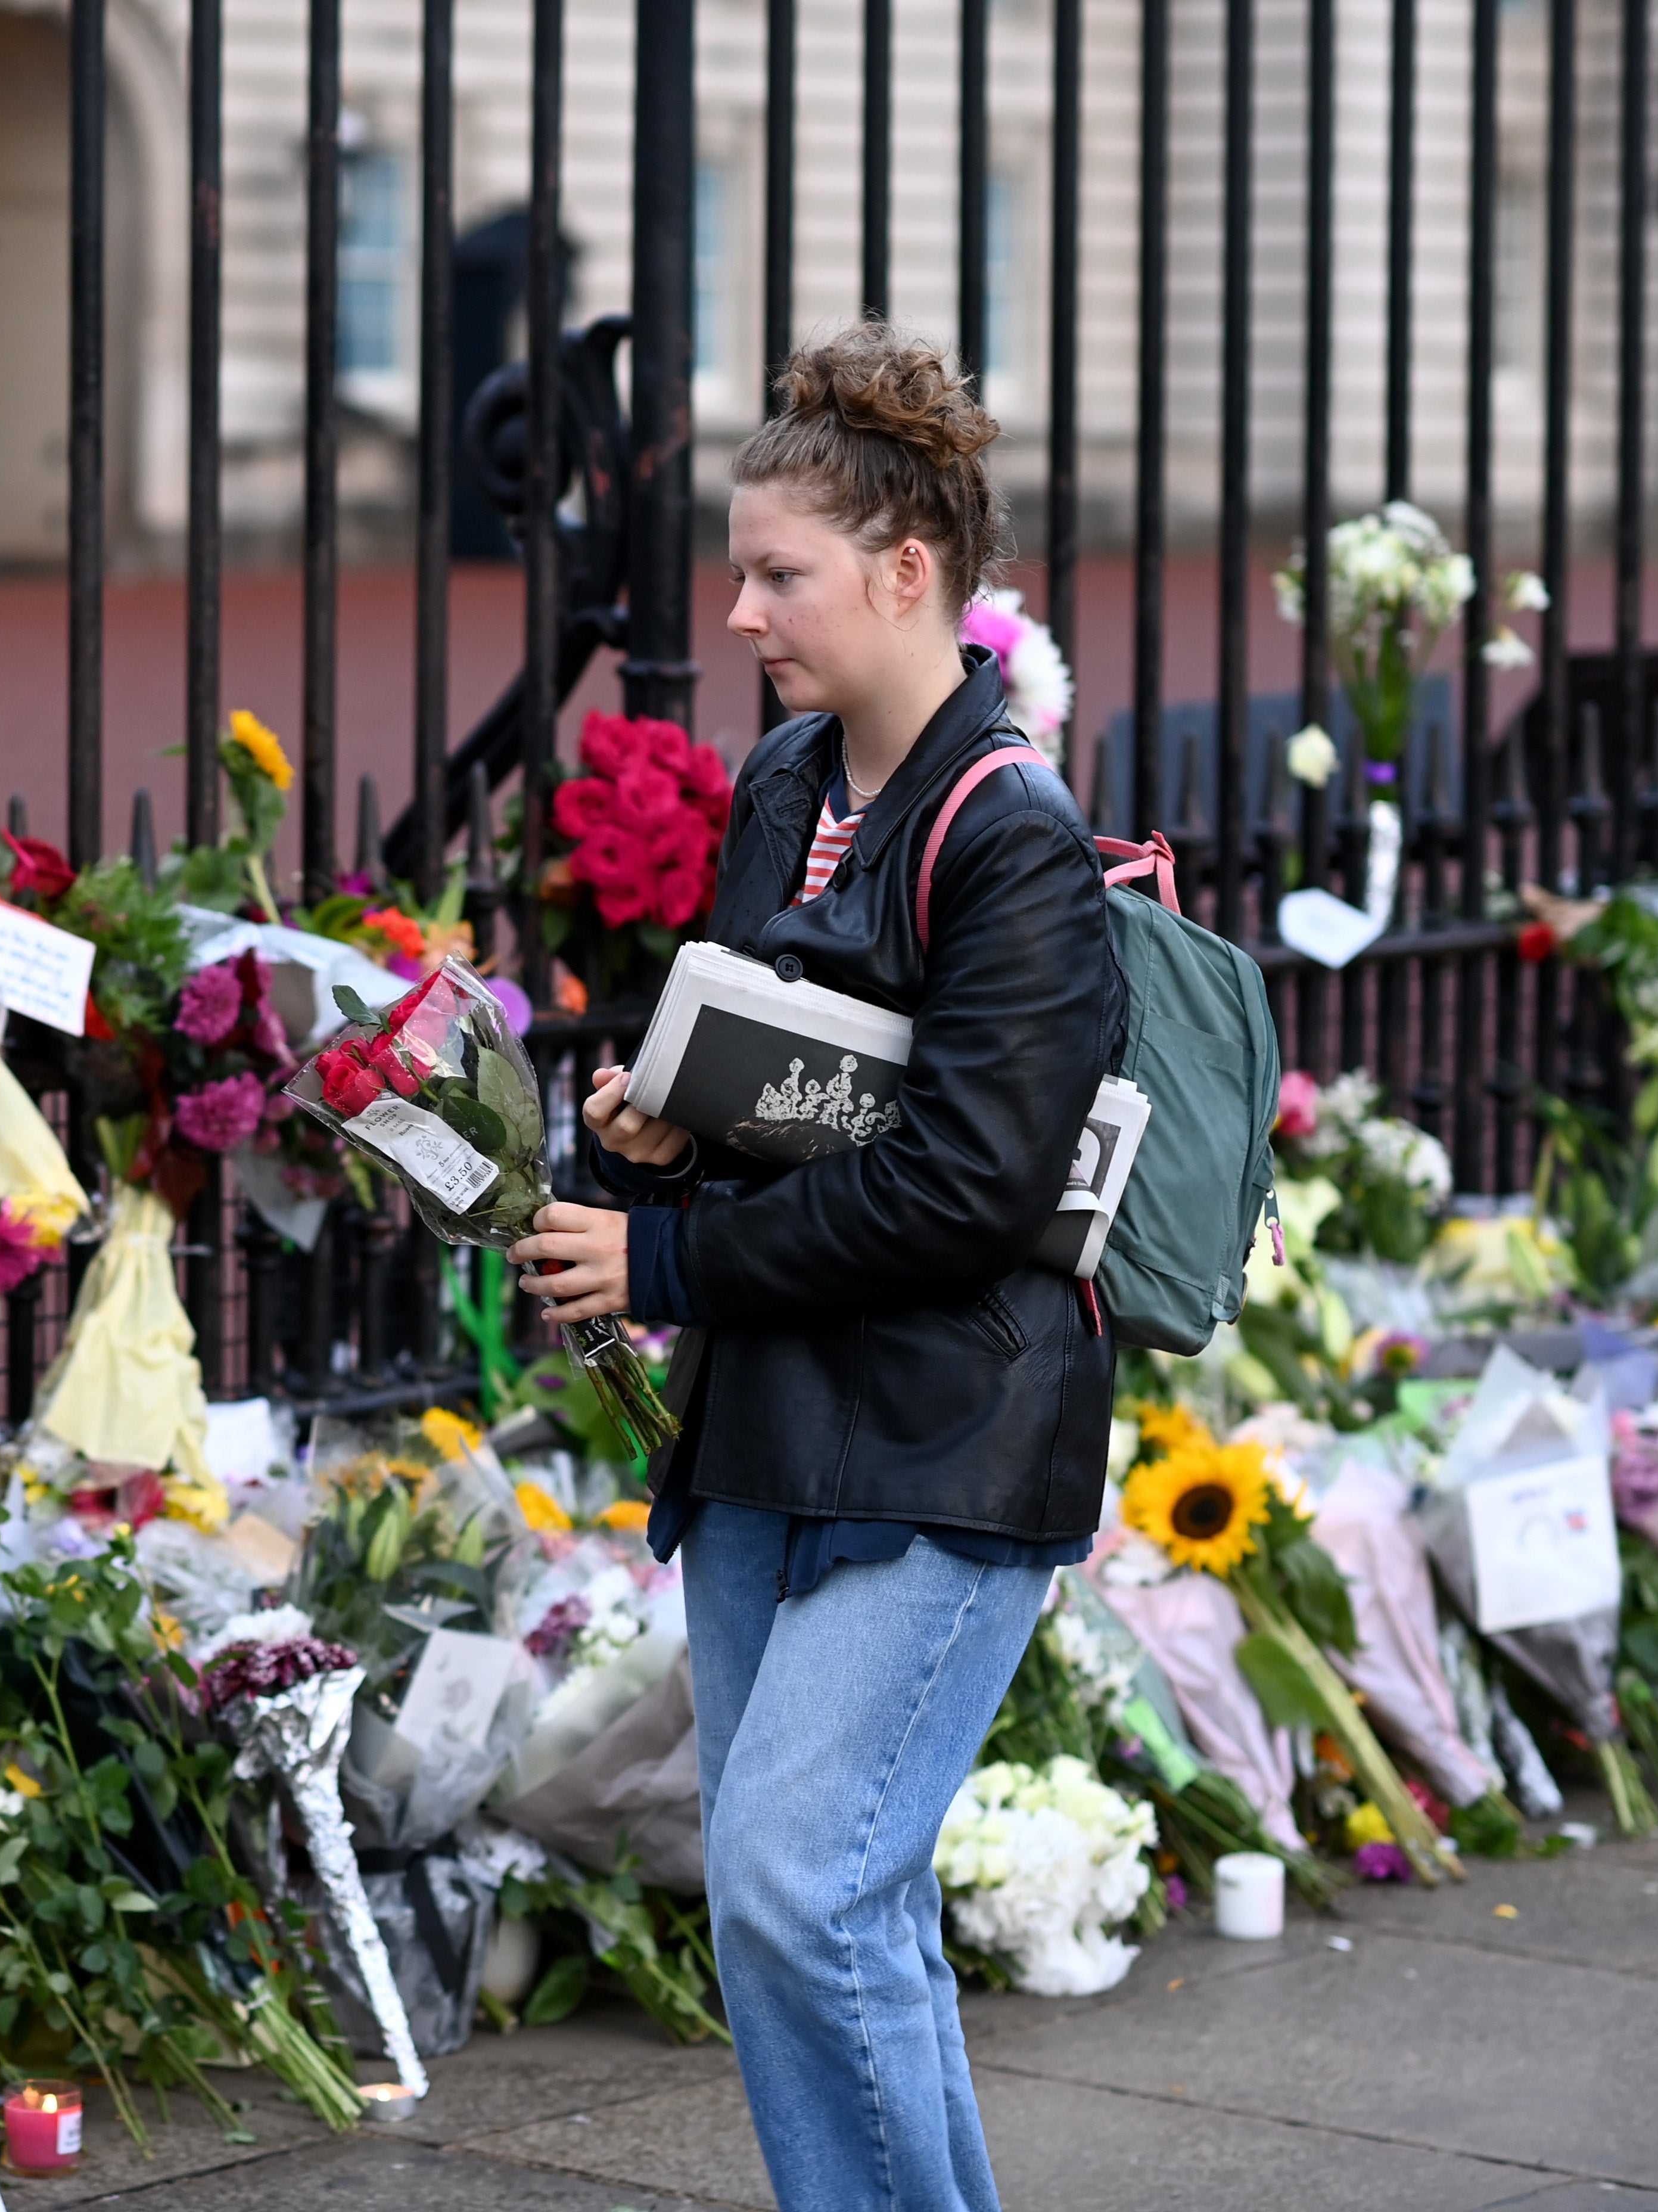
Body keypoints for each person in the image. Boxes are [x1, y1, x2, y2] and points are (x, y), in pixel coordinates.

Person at [510, 324, 1121, 2211]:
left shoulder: (1015, 838)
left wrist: (668, 1251)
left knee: (792, 1884)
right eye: (744, 570)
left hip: (955, 1434)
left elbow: (963, 1188)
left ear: (907, 570)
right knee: (839, 1913)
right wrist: (661, 1127)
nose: (745, 610)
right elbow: (778, 1058)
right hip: (780, 1421)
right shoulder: (784, 782)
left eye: (780, 575)